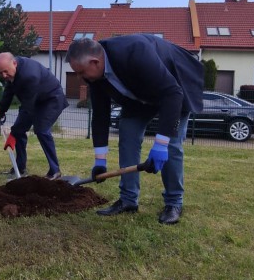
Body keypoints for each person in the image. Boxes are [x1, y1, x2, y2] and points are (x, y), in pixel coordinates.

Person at [65, 35, 204, 225]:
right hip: (139, 96)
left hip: (175, 88)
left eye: (81, 72)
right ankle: (128, 199)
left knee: (171, 146)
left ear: (95, 62)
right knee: (127, 136)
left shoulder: (135, 52)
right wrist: (100, 160)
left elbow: (172, 93)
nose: (80, 78)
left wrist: (161, 144)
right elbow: (100, 115)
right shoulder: (95, 77)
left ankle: (174, 203)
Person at [0, 52, 69, 181]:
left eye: (5, 71)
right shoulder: (12, 72)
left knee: (41, 130)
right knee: (19, 131)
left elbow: (28, 108)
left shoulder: (29, 76)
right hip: (35, 100)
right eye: (0, 73)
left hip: (51, 99)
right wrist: (1, 109)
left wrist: (14, 133)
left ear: (14, 63)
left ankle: (55, 171)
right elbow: (9, 91)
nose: (4, 75)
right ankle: (20, 168)